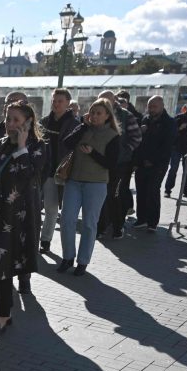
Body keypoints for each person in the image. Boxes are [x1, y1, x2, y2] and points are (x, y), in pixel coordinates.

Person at [0, 100, 45, 336]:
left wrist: (22, 147)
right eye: (7, 118)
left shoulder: (37, 147)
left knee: (5, 264)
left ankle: (3, 316)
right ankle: (4, 313)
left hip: (19, 218)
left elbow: (28, 174)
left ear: (28, 122)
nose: (10, 124)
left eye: (16, 120)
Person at [57, 98, 121, 275]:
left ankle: (83, 261)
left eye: (99, 113)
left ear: (107, 116)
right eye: (92, 112)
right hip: (74, 181)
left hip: (96, 184)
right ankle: (67, 257)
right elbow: (66, 143)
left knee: (89, 224)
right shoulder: (83, 128)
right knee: (67, 219)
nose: (94, 116)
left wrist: (93, 153)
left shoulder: (113, 136)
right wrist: (83, 126)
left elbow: (111, 164)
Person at [96, 90, 142, 239]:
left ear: (114, 100)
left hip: (120, 164)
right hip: (100, 162)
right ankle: (101, 227)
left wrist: (124, 151)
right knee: (100, 195)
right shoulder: (96, 113)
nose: (103, 103)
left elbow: (136, 137)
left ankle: (117, 226)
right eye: (100, 100)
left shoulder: (126, 115)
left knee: (114, 194)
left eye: (106, 100)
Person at [39, 87, 79, 252]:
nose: (56, 104)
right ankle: (39, 239)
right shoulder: (44, 122)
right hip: (44, 170)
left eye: (60, 101)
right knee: (43, 207)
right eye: (54, 101)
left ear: (68, 103)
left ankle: (47, 241)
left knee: (54, 208)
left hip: (63, 172)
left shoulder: (75, 124)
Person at [133, 95, 176, 231]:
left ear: (162, 106)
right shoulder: (145, 119)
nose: (151, 109)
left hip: (158, 164)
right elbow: (139, 142)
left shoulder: (169, 122)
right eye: (149, 106)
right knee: (141, 190)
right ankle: (142, 218)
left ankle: (152, 222)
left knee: (153, 191)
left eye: (154, 106)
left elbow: (167, 145)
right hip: (142, 162)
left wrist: (153, 160)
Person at [164, 97, 187, 198]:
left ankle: (185, 190)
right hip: (177, 146)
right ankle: (168, 190)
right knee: (173, 168)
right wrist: (180, 128)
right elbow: (171, 132)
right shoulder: (179, 117)